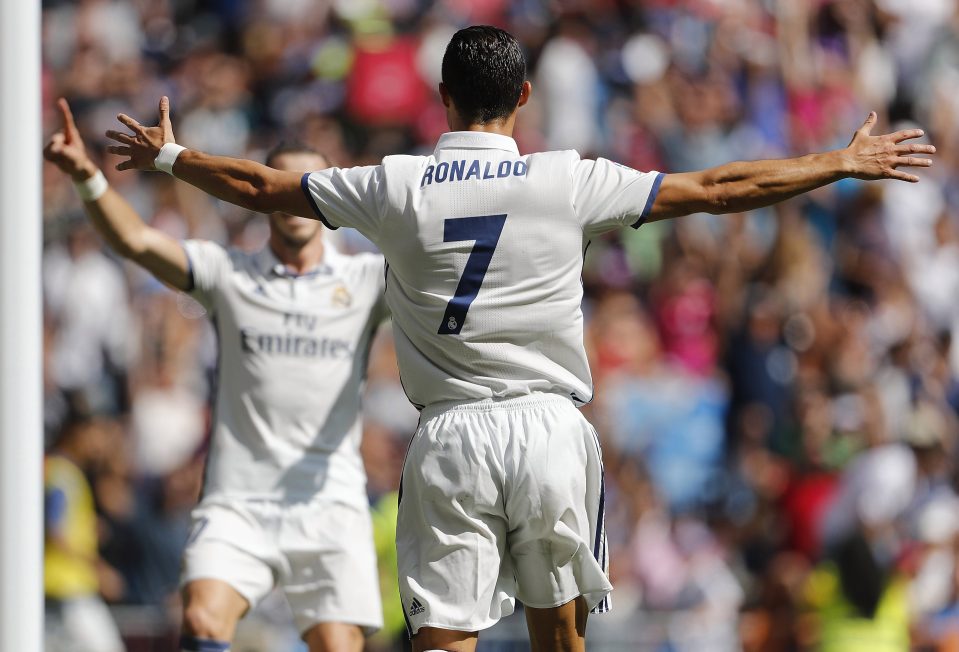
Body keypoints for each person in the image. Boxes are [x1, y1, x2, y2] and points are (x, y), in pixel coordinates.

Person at [103, 25, 936, 652]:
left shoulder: (396, 184)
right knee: (559, 641)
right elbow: (719, 188)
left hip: (451, 434)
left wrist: (172, 156)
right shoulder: (564, 178)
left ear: (441, 97)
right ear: (525, 96)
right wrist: (837, 160)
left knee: (445, 640)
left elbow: (260, 185)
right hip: (548, 428)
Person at [44, 99, 389, 652]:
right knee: (203, 619)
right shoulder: (231, 274)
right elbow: (136, 241)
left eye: (310, 185)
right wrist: (88, 179)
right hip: (239, 500)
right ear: (267, 194)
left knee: (338, 645)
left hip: (331, 501)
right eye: (284, 183)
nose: (297, 197)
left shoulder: (369, 279)